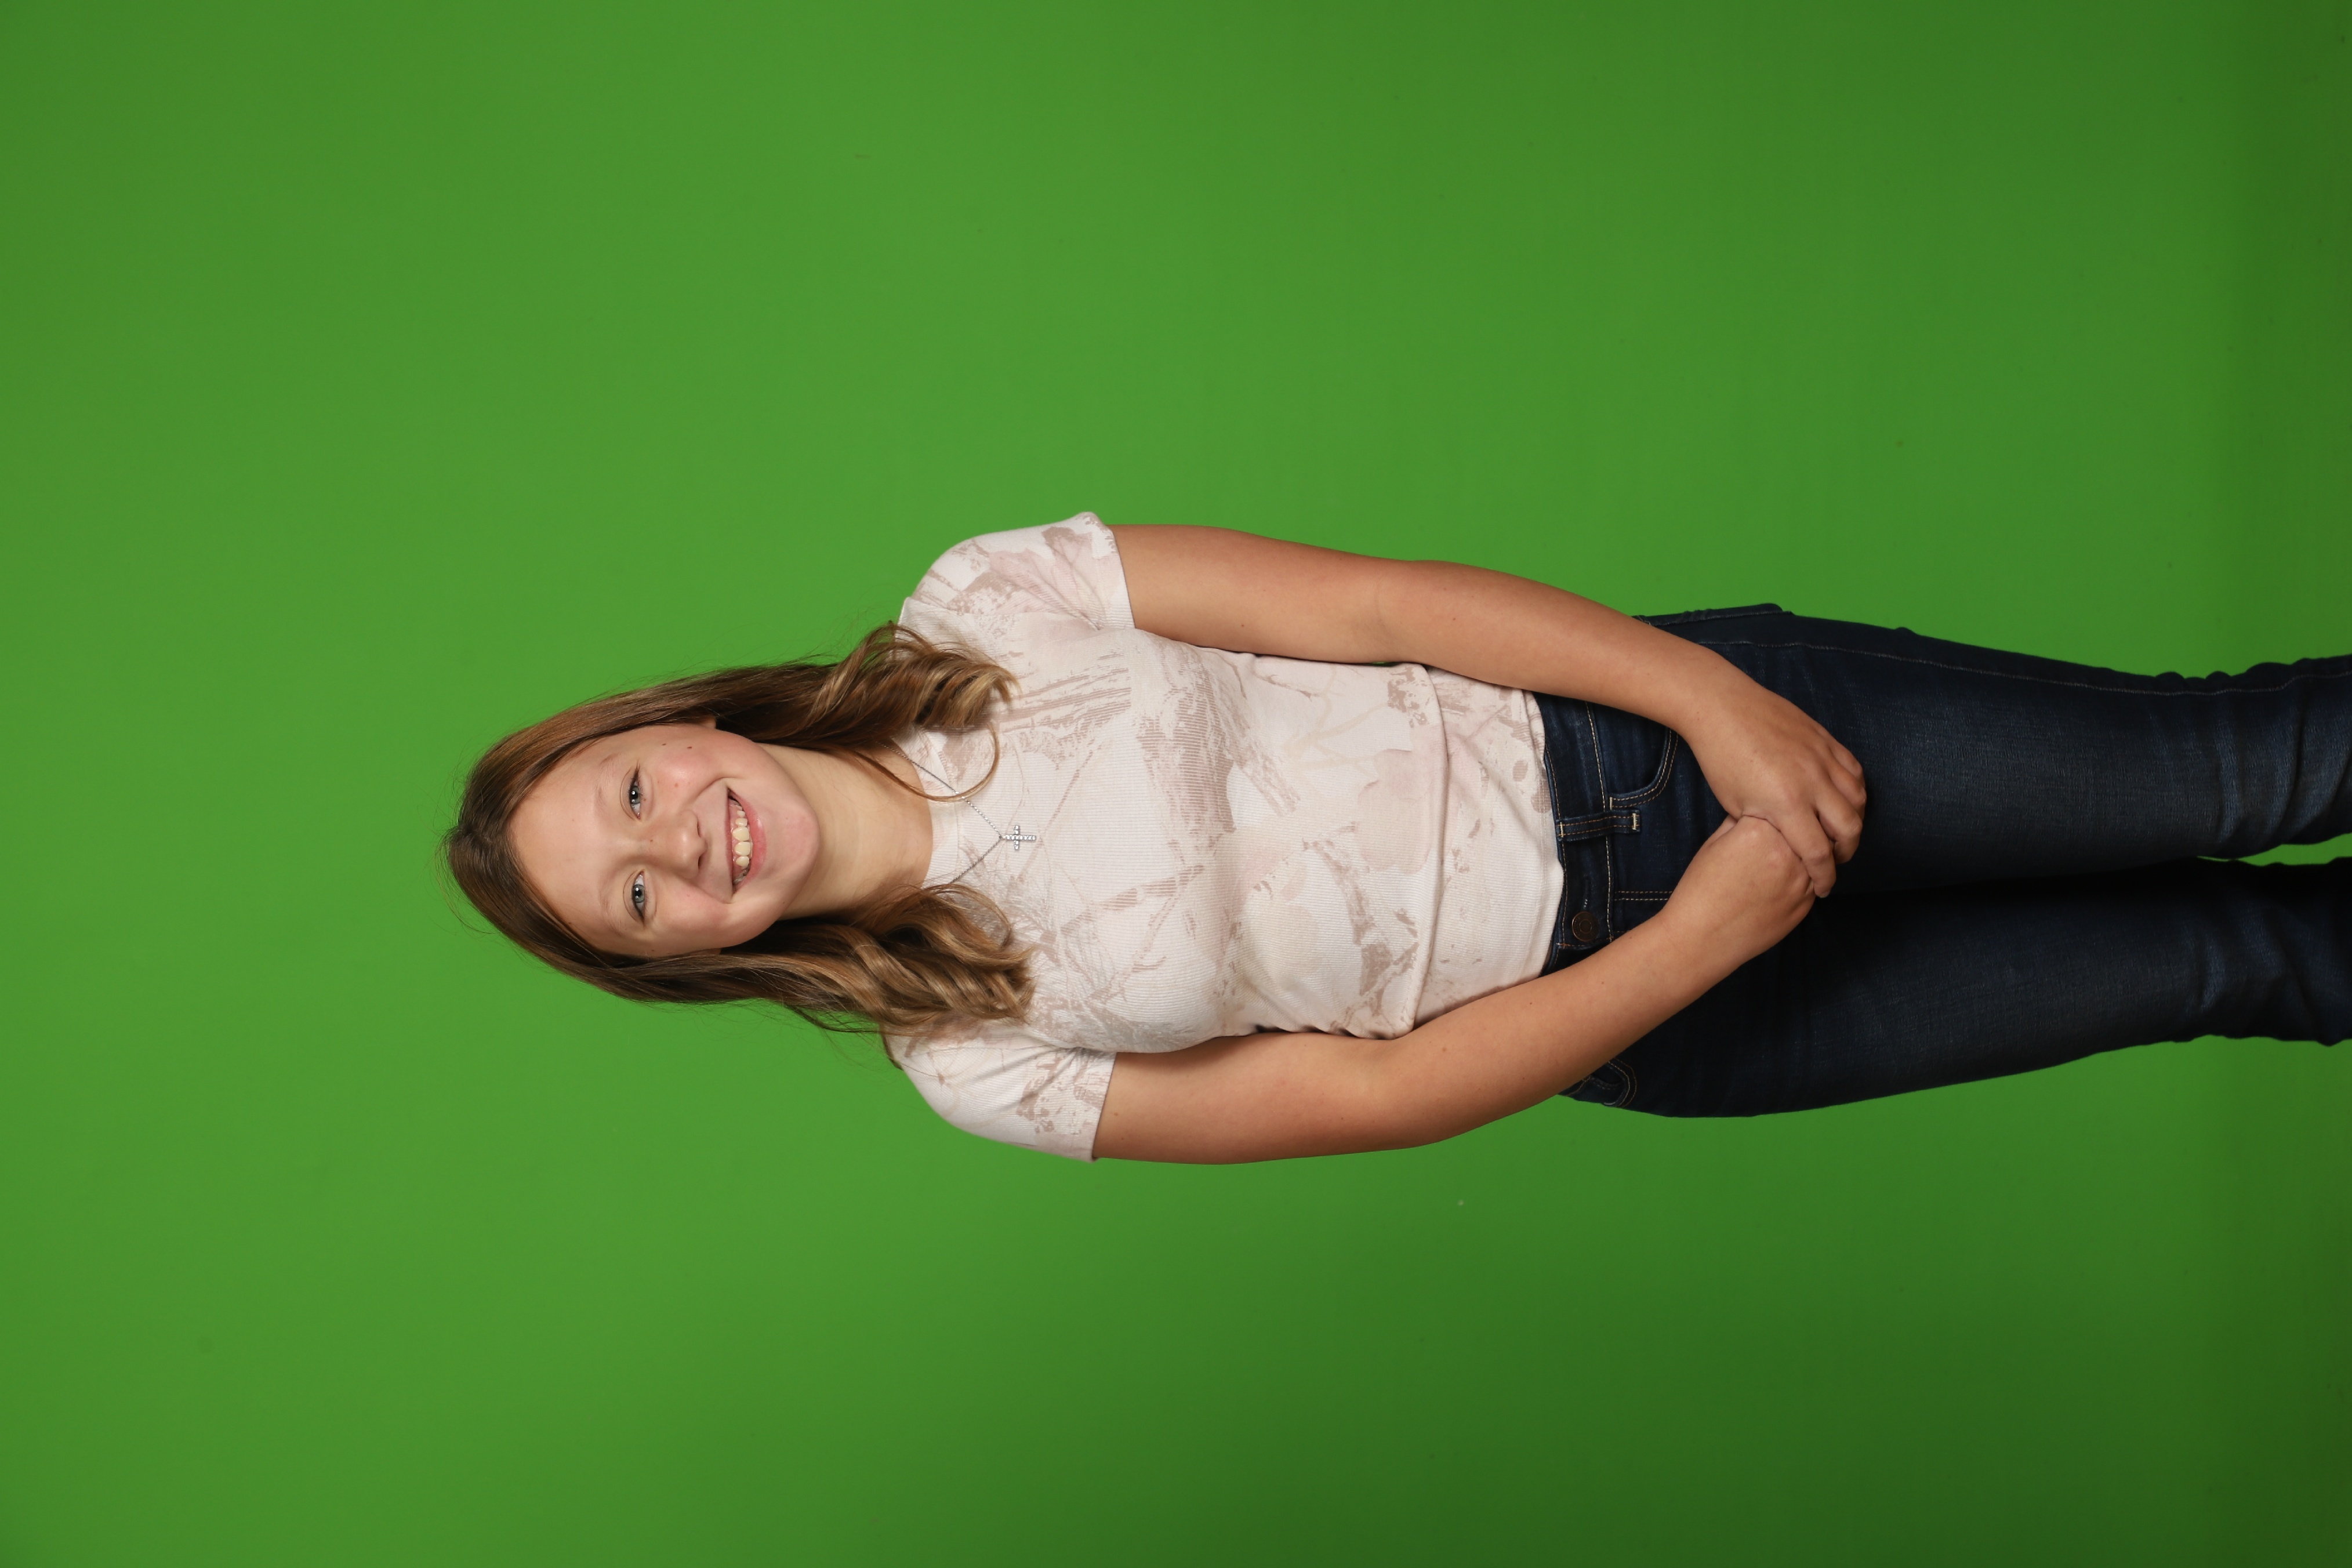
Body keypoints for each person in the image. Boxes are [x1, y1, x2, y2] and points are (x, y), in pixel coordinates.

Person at [445, 515, 2352, 1163]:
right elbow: (1369, 1097)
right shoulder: (974, 1062)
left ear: (675, 725)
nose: (683, 850)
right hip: (1662, 1006)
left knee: (2241, 772)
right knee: (2234, 961)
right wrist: (1697, 947)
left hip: (1644, 736)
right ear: (686, 960)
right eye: (640, 901)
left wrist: (1712, 702)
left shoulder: (987, 605)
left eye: (633, 797)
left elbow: (1377, 607)